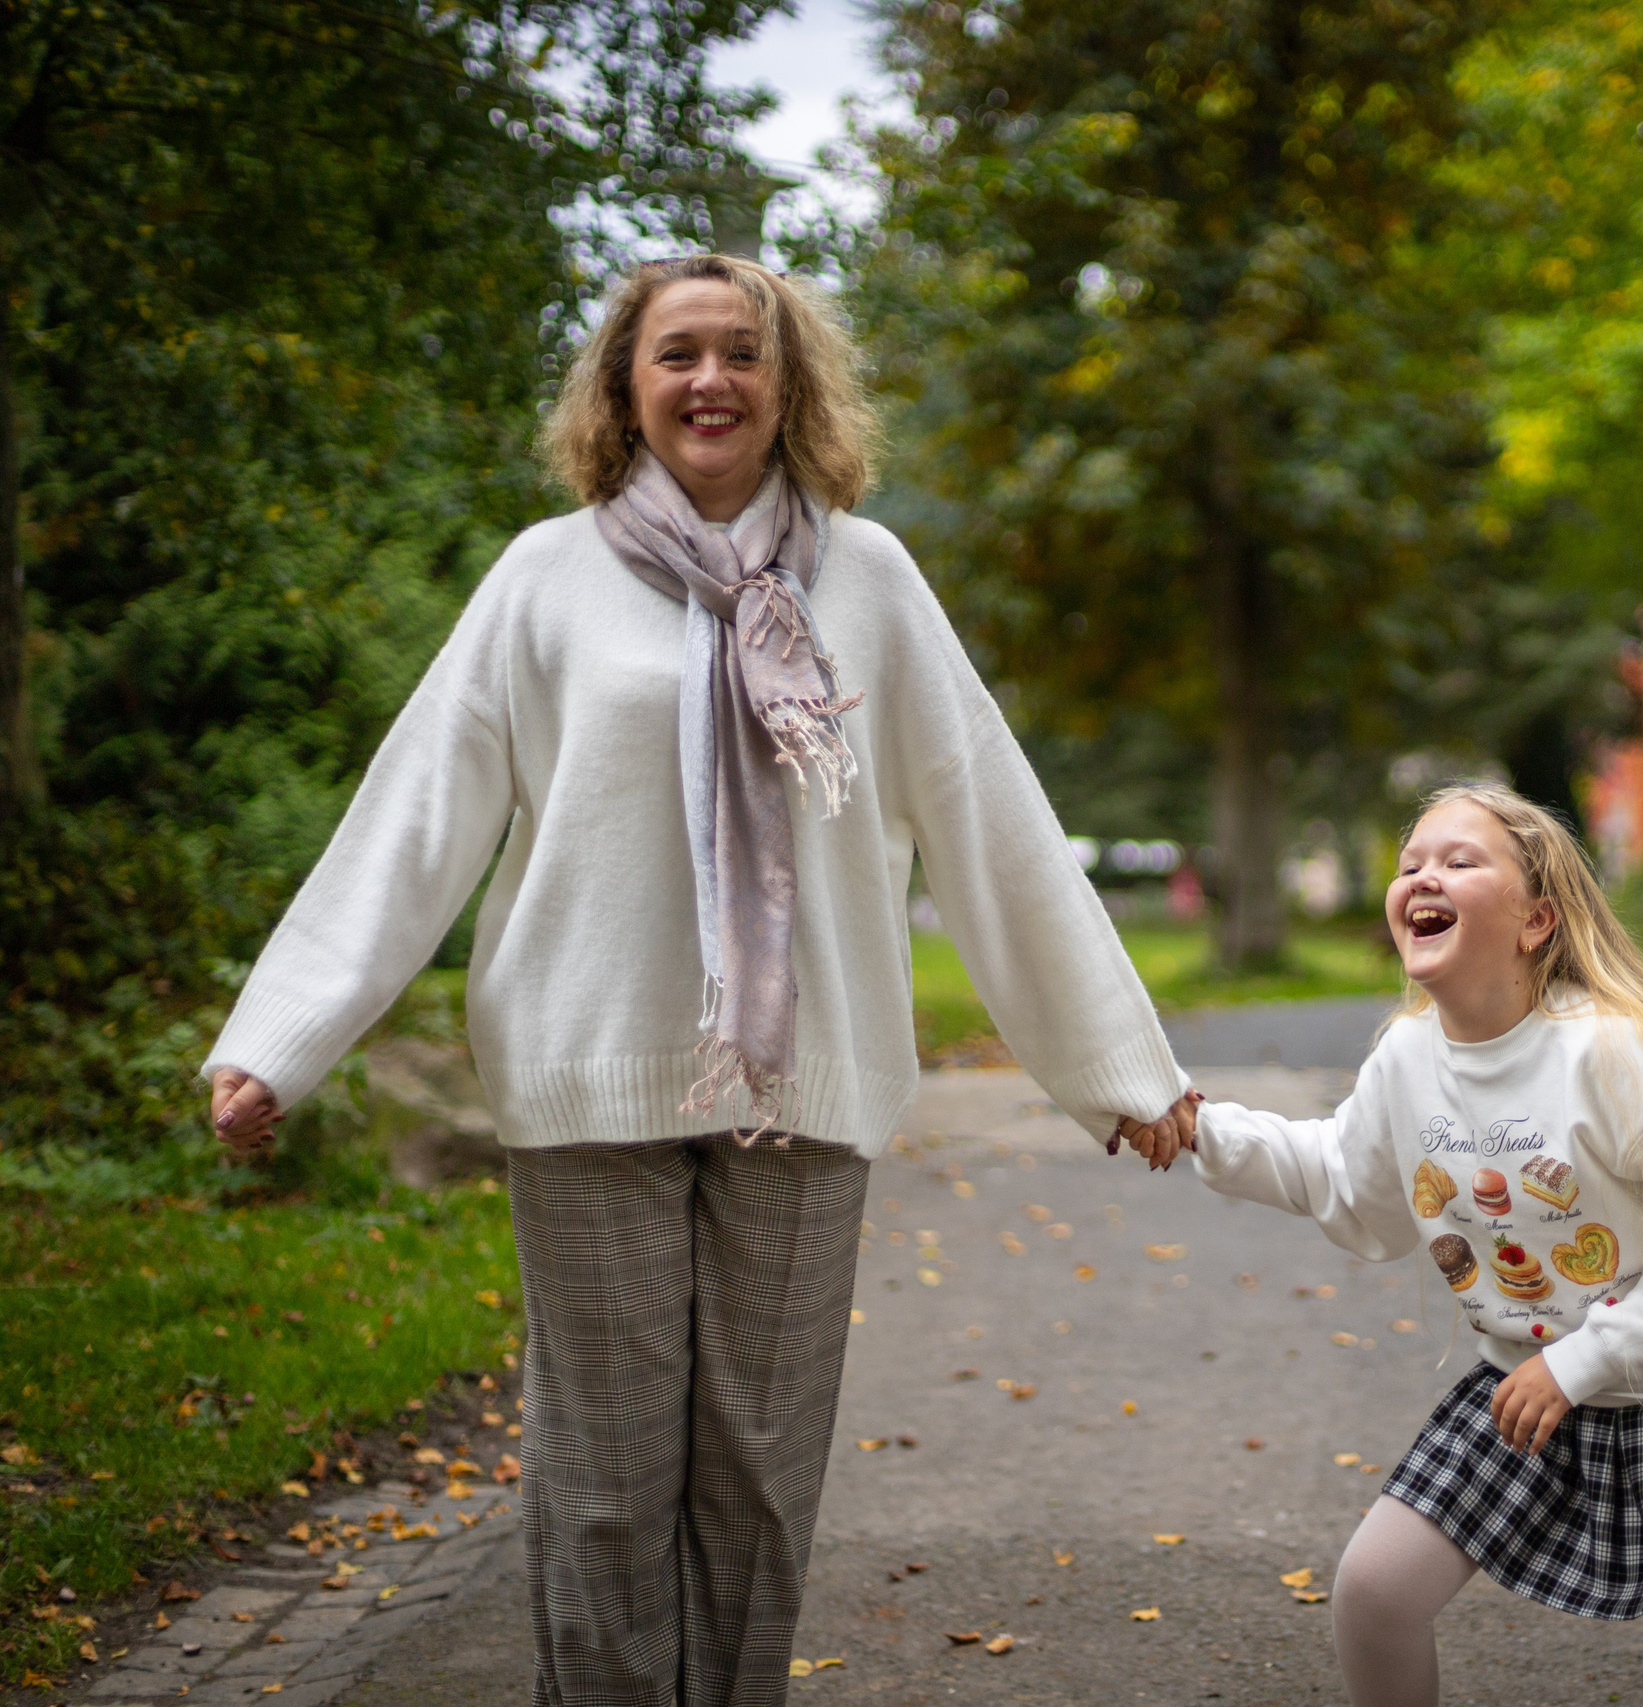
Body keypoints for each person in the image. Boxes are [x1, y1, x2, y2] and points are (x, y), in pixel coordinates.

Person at [199, 253, 1195, 1707]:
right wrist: (280, 1041)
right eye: (677, 354)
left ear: (791, 387)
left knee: (757, 1474)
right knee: (601, 1478)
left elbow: (992, 820)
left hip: (809, 1074)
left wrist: (1117, 1070)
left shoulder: (872, 577)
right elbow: (416, 812)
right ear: (624, 385)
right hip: (586, 1067)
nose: (711, 379)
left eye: (743, 352)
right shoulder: (543, 576)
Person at [1182, 782, 1643, 1707]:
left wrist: (1584, 1360)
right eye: (1411, 862)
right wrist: (1193, 1128)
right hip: (1533, 1386)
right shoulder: (1409, 1060)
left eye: (1459, 860)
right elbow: (1342, 1178)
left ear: (1537, 918)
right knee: (1375, 1593)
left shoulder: (1624, 1058)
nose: (1423, 875)